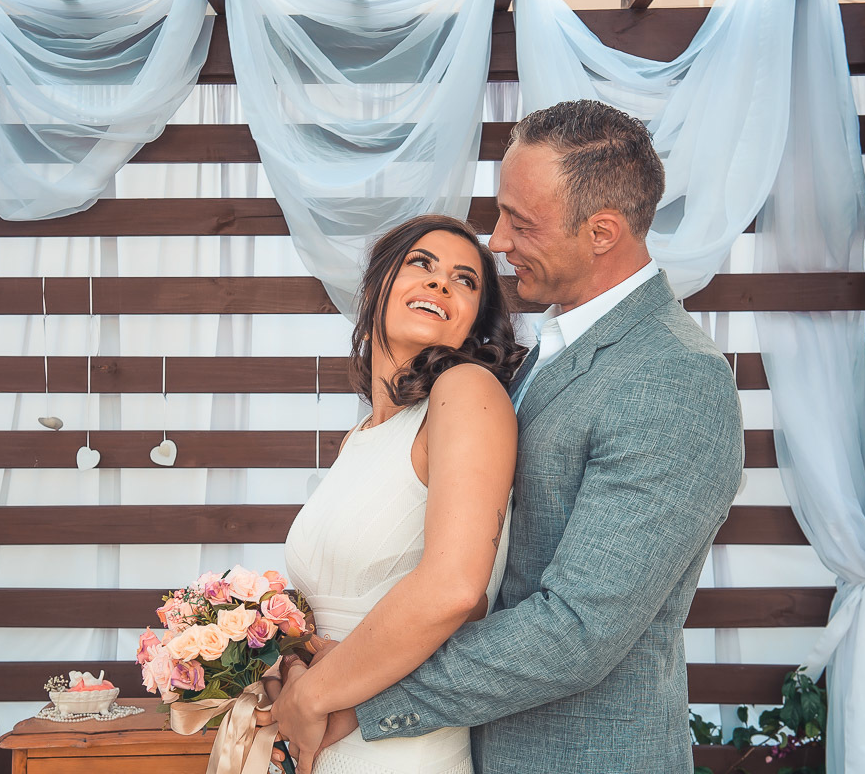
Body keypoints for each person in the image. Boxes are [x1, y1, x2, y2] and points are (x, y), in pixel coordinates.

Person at [270, 100, 746, 774]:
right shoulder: (536, 360)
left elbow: (577, 632)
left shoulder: (672, 377)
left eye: (520, 223)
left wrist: (348, 699)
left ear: (602, 232)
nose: (496, 241)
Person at [278, 213, 527, 774]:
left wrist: (313, 696)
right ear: (375, 289)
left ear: (473, 326)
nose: (441, 284)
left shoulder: (465, 391)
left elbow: (458, 590)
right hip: (323, 742)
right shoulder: (362, 437)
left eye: (465, 280)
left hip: (401, 748)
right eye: (422, 264)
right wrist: (289, 666)